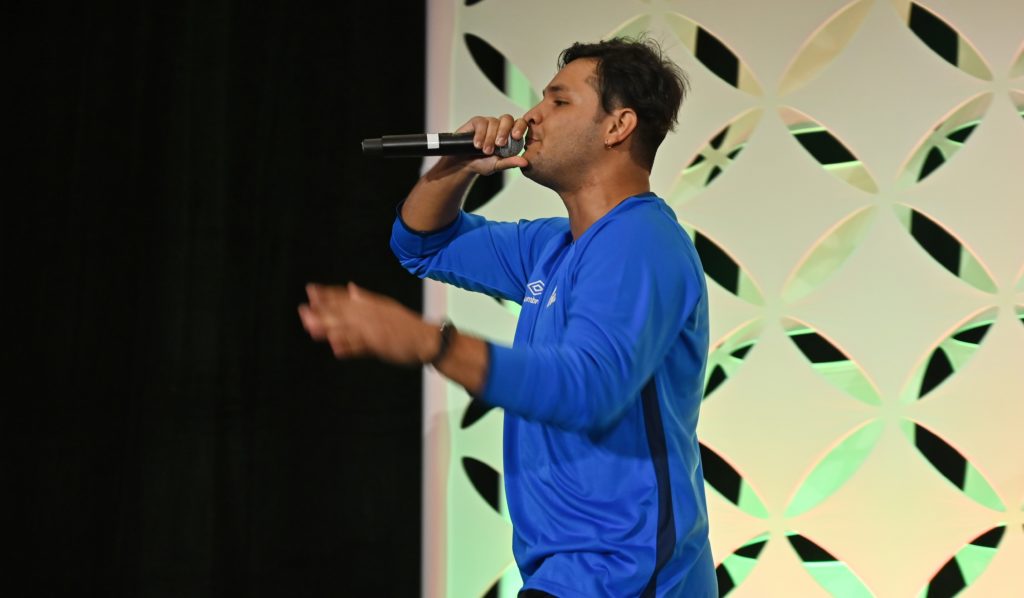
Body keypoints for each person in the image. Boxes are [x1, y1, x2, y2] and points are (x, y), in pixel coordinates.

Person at [299, 37, 716, 597]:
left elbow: (586, 390)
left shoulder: (640, 242)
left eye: (558, 101)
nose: (532, 115)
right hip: (572, 574)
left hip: (624, 572)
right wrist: (459, 166)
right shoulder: (555, 245)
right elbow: (421, 244)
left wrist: (430, 344)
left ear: (618, 126)